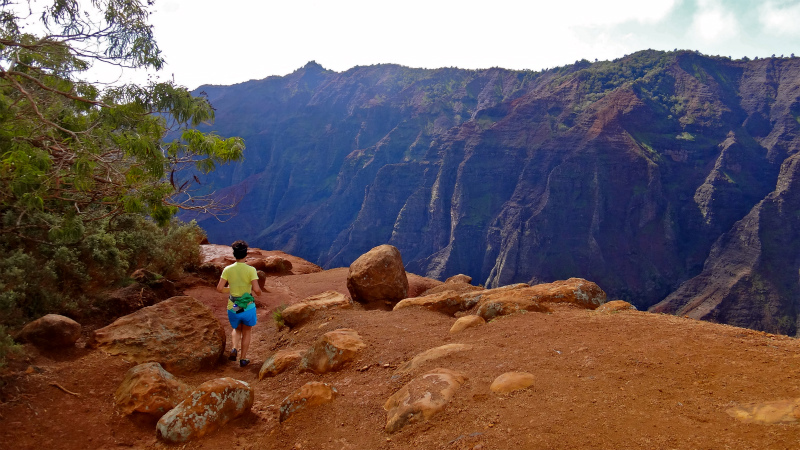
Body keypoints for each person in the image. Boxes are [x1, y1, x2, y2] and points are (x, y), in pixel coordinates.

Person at [216, 240, 262, 367]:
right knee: (247, 330)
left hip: (234, 306)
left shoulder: (228, 269)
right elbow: (257, 290)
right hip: (247, 306)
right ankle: (243, 358)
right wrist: (259, 293)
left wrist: (231, 289)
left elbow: (219, 289)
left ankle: (234, 348)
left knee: (237, 328)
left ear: (234, 254)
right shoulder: (251, 270)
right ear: (246, 254)